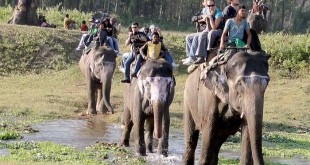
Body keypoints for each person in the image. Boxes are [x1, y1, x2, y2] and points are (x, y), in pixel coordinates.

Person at [193, 0, 224, 64]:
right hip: (208, 28)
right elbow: (202, 18)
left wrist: (210, 18)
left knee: (211, 33)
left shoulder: (218, 13)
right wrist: (205, 17)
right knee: (202, 35)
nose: (211, 7)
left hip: (218, 29)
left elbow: (214, 27)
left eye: (212, 5)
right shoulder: (205, 10)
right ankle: (201, 56)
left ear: (215, 5)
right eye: (209, 6)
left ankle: (209, 50)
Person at [182, 0, 210, 65]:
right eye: (205, 1)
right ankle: (190, 57)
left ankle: (192, 57)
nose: (207, 2)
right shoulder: (202, 11)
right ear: (203, 3)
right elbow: (193, 18)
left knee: (196, 37)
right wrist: (201, 17)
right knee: (188, 37)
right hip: (201, 31)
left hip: (207, 31)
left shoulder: (212, 10)